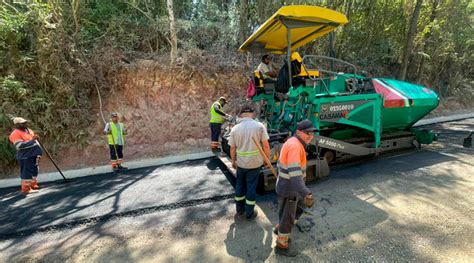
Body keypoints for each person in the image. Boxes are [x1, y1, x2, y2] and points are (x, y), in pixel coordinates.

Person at [274, 119, 316, 257]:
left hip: (288, 187)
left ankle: (280, 228)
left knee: (294, 209)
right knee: (288, 216)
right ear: (299, 132)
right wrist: (306, 193)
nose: (311, 135)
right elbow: (295, 176)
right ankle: (282, 244)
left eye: (312, 133)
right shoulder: (295, 146)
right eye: (308, 133)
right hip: (290, 189)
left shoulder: (294, 142)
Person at [228, 103, 270, 220]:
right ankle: (249, 213)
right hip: (255, 163)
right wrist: (266, 160)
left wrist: (233, 161)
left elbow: (232, 148)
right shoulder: (259, 126)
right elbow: (266, 146)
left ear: (241, 115)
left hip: (241, 164)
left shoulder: (235, 129)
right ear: (252, 114)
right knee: (251, 187)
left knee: (240, 186)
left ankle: (239, 209)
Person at [8, 117, 43, 194]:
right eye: (22, 123)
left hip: (34, 155)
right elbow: (19, 146)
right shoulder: (15, 134)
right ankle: (26, 189)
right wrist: (32, 140)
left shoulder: (29, 130)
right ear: (17, 125)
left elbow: (35, 142)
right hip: (25, 156)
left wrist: (39, 152)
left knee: (34, 170)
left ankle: (33, 185)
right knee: (26, 172)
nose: (25, 124)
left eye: (25, 122)